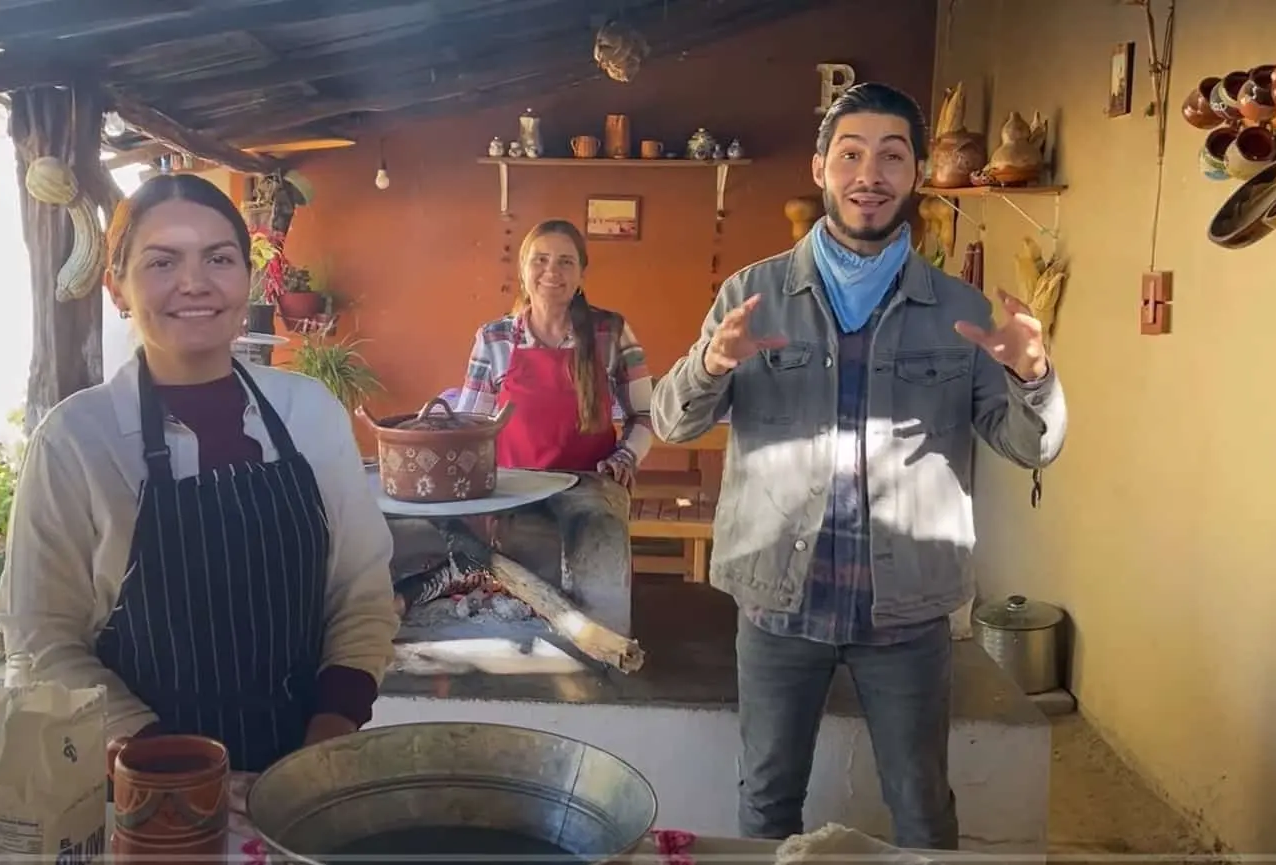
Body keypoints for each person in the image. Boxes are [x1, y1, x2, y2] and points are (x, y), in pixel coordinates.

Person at [650, 83, 1067, 848]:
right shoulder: (753, 294)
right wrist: (709, 362)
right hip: (780, 599)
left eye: (890, 155)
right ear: (819, 167)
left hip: (905, 610)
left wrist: (1034, 376)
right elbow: (672, 421)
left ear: (914, 175)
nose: (867, 173)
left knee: (920, 804)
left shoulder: (958, 309)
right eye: (850, 154)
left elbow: (1031, 445)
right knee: (767, 799)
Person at [0, 173, 398, 774]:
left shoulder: (308, 412)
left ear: (246, 278)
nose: (195, 283)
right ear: (118, 289)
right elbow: (40, 641)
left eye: (218, 258)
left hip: (301, 780)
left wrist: (333, 726)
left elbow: (361, 593)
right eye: (162, 263)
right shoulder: (78, 440)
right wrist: (163, 766)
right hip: (139, 793)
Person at [452, 219, 654, 487]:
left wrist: (625, 457)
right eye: (540, 259)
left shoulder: (611, 332)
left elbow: (645, 413)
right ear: (523, 270)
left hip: (591, 489)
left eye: (566, 262)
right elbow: (470, 426)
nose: (552, 271)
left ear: (582, 274)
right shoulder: (493, 339)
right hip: (513, 490)